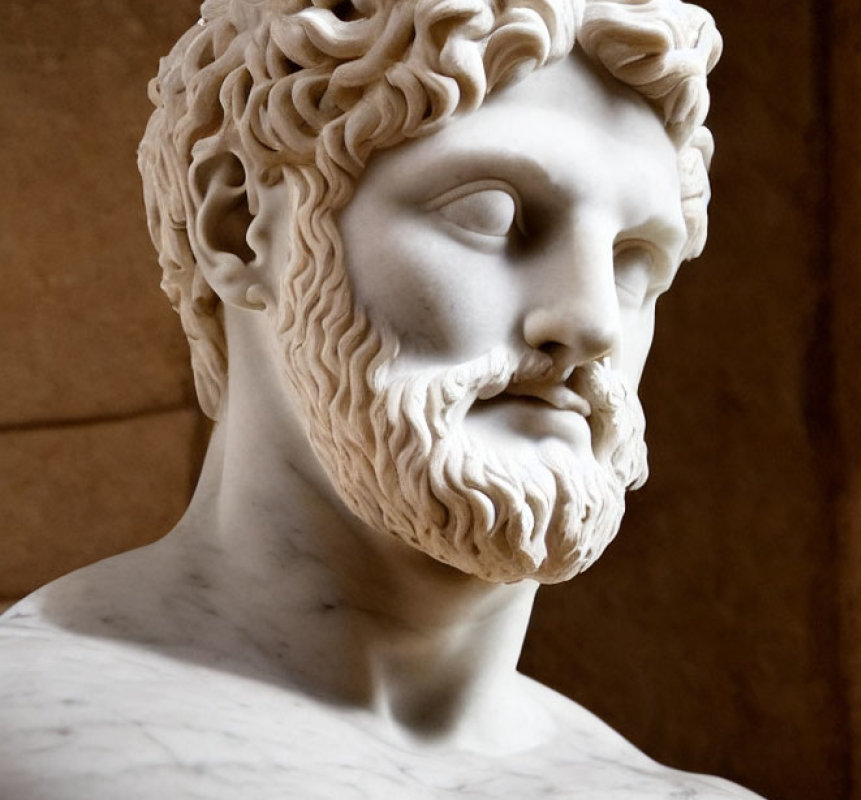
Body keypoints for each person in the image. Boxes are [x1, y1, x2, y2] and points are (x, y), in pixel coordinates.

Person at [0, 1, 760, 797]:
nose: (593, 319)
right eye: (491, 215)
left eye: (636, 257)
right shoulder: (38, 742)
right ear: (238, 226)